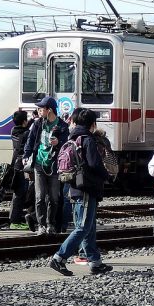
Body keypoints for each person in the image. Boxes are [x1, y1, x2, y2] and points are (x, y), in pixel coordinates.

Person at [48, 109, 112, 276]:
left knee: (88, 226)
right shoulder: (87, 140)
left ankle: (95, 262)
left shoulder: (72, 138)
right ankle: (59, 258)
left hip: (75, 187)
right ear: (93, 124)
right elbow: (94, 164)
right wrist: (107, 176)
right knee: (83, 227)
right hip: (86, 188)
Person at [22, 97, 68, 234]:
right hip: (39, 163)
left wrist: (58, 144)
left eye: (41, 108)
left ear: (49, 110)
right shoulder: (38, 124)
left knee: (54, 197)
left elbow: (65, 146)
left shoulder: (63, 126)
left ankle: (51, 224)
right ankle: (41, 225)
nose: (39, 111)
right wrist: (26, 155)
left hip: (54, 165)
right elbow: (30, 140)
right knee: (40, 196)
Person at [8, 110, 34, 231]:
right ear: (24, 121)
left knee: (17, 193)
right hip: (22, 166)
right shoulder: (27, 133)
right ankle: (15, 221)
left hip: (15, 164)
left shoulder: (14, 131)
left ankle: (13, 219)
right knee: (20, 194)